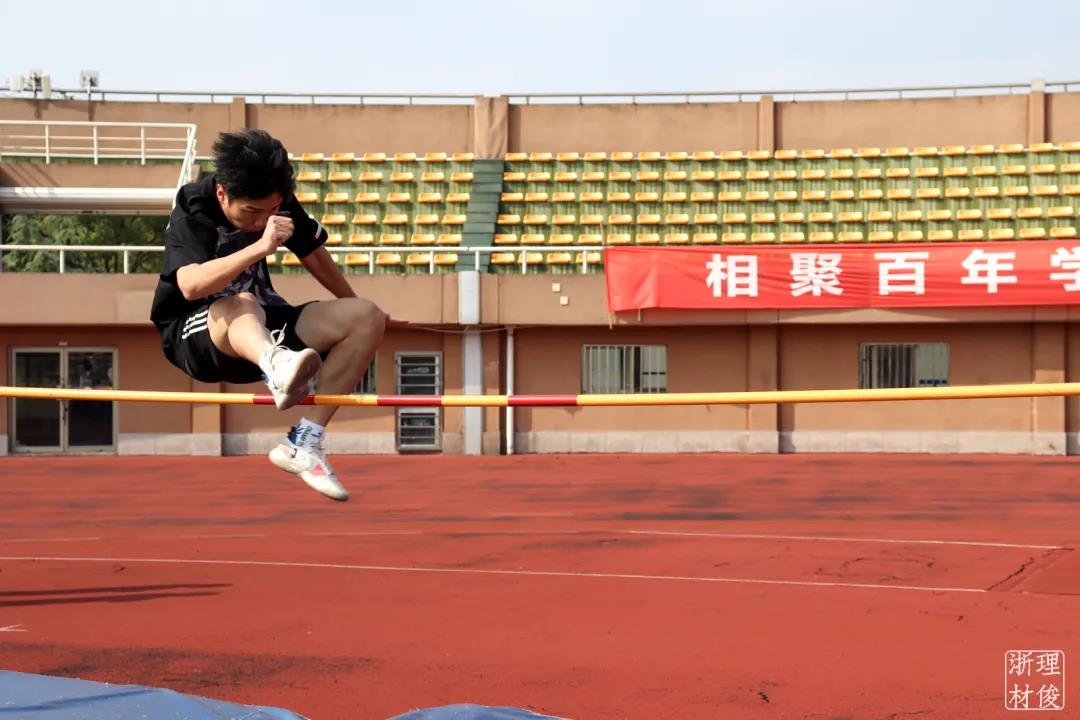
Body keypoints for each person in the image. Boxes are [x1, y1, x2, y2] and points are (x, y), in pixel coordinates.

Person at [150, 128, 387, 502]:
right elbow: (191, 285)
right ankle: (276, 367)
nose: (263, 220)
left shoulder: (276, 198)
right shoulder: (194, 205)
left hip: (262, 327)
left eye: (272, 211)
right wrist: (261, 247)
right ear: (222, 194)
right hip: (196, 336)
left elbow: (312, 252)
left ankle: (304, 443)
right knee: (241, 302)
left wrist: (356, 308)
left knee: (366, 315)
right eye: (252, 212)